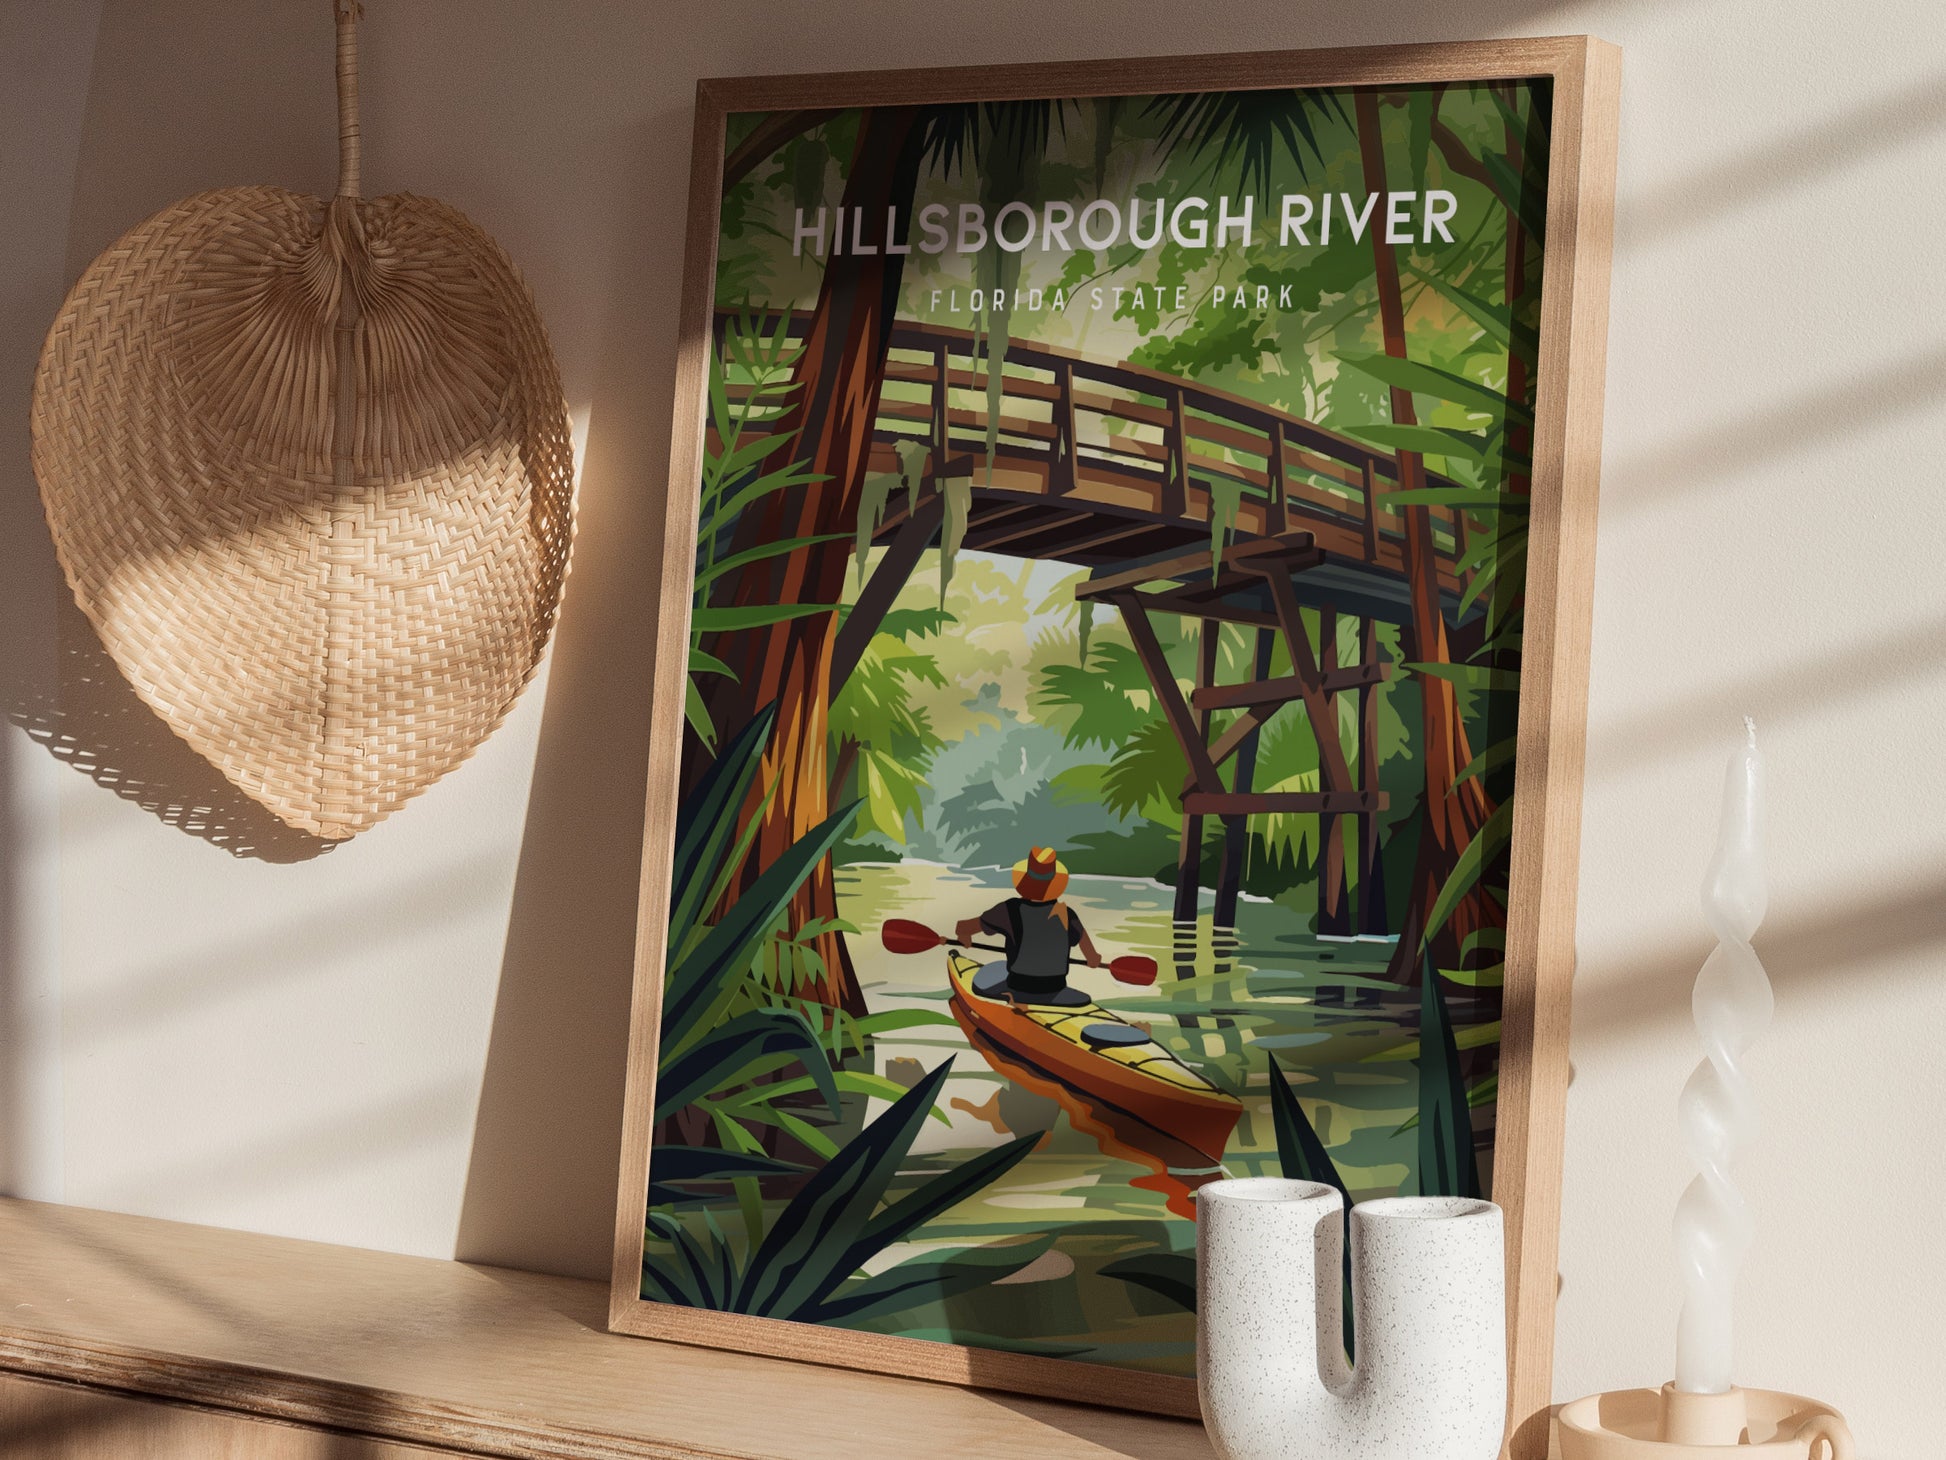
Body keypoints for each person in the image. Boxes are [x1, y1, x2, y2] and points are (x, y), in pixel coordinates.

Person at [957, 846, 1103, 1006]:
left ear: (1025, 881)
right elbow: (1092, 957)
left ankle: (1015, 1004)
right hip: (1055, 989)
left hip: (1018, 988)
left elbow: (964, 927)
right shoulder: (1067, 914)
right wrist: (1093, 960)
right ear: (1053, 883)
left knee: (989, 979)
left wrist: (964, 937)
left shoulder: (1009, 910)